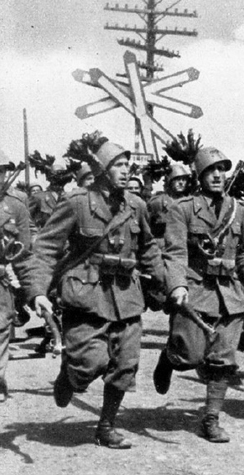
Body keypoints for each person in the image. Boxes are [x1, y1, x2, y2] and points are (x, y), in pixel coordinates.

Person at [27, 139, 165, 449]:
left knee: (125, 365)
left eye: (127, 165)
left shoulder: (136, 205)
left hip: (126, 296)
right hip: (87, 296)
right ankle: (69, 376)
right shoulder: (77, 202)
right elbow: (46, 248)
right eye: (118, 165)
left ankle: (106, 426)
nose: (126, 170)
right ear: (102, 170)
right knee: (88, 364)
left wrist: (168, 284)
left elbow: (149, 248)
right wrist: (37, 290)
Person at [154, 146, 244, 442]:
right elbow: (174, 252)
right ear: (198, 176)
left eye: (222, 169)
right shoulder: (183, 208)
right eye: (210, 170)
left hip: (230, 294)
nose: (217, 175)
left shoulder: (238, 210)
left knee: (223, 360)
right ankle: (169, 358)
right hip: (196, 288)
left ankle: (211, 418)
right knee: (189, 355)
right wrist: (177, 284)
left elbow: (243, 251)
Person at [0, 153, 33, 402]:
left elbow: (24, 250)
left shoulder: (16, 206)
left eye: (1, 171)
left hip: (1, 279)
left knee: (1, 329)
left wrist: (31, 289)